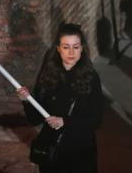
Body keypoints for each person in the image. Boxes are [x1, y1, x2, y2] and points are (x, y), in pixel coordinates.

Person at [17, 23, 103, 173]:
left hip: (80, 152)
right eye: (66, 47)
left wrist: (64, 122)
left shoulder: (91, 78)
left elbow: (96, 120)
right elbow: (35, 119)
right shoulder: (48, 76)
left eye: (75, 47)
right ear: (58, 48)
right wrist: (27, 100)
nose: (71, 52)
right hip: (52, 152)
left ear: (82, 48)